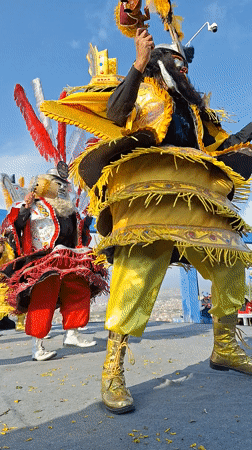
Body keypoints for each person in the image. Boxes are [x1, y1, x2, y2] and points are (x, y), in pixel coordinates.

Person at [40, 16, 252, 413]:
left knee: (229, 263)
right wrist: (137, 64)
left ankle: (225, 346)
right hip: (149, 190)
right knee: (137, 273)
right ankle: (113, 370)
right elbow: (117, 116)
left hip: (198, 192)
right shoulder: (140, 87)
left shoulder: (196, 108)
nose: (185, 67)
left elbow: (225, 144)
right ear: (159, 60)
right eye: (178, 61)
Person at [0, 164, 108, 361]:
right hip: (43, 260)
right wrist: (25, 207)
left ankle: (73, 334)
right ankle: (38, 346)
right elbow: (14, 226)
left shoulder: (71, 211)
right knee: (44, 295)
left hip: (70, 257)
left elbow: (80, 234)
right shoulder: (33, 206)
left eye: (64, 185)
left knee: (80, 285)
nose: (62, 189)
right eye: (57, 184)